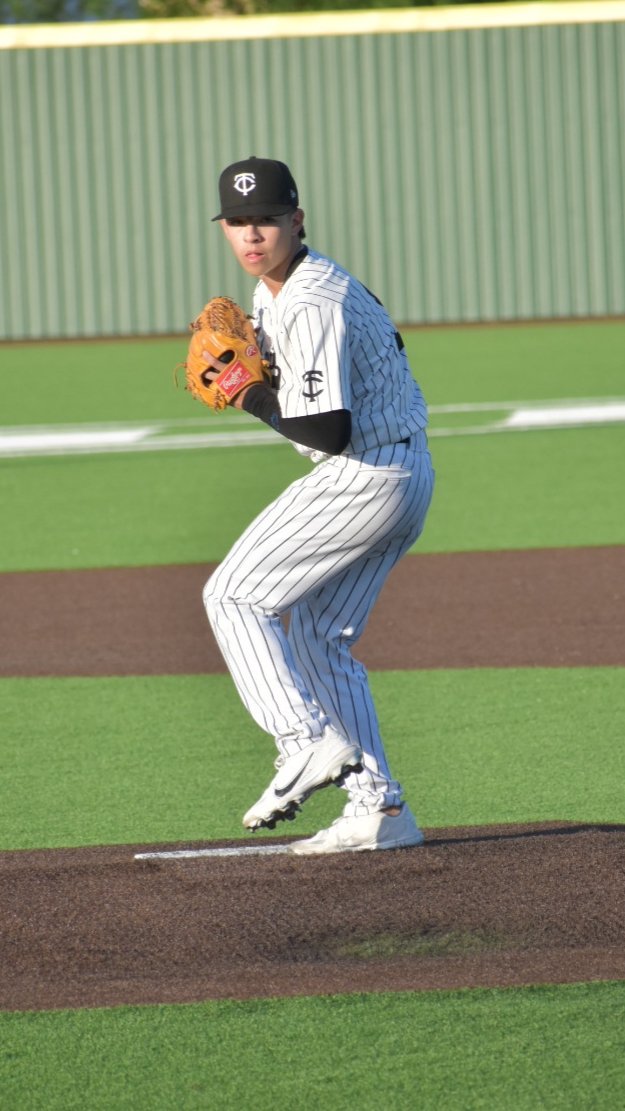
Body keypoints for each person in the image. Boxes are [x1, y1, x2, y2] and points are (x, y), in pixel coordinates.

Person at [201, 156, 435, 854]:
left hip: (361, 473)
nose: (251, 234)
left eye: (266, 220)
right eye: (238, 222)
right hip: (399, 470)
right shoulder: (279, 292)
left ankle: (303, 740)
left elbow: (325, 430)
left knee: (232, 596)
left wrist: (248, 395)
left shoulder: (309, 298)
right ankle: (379, 809)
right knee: (313, 636)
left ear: (295, 222)